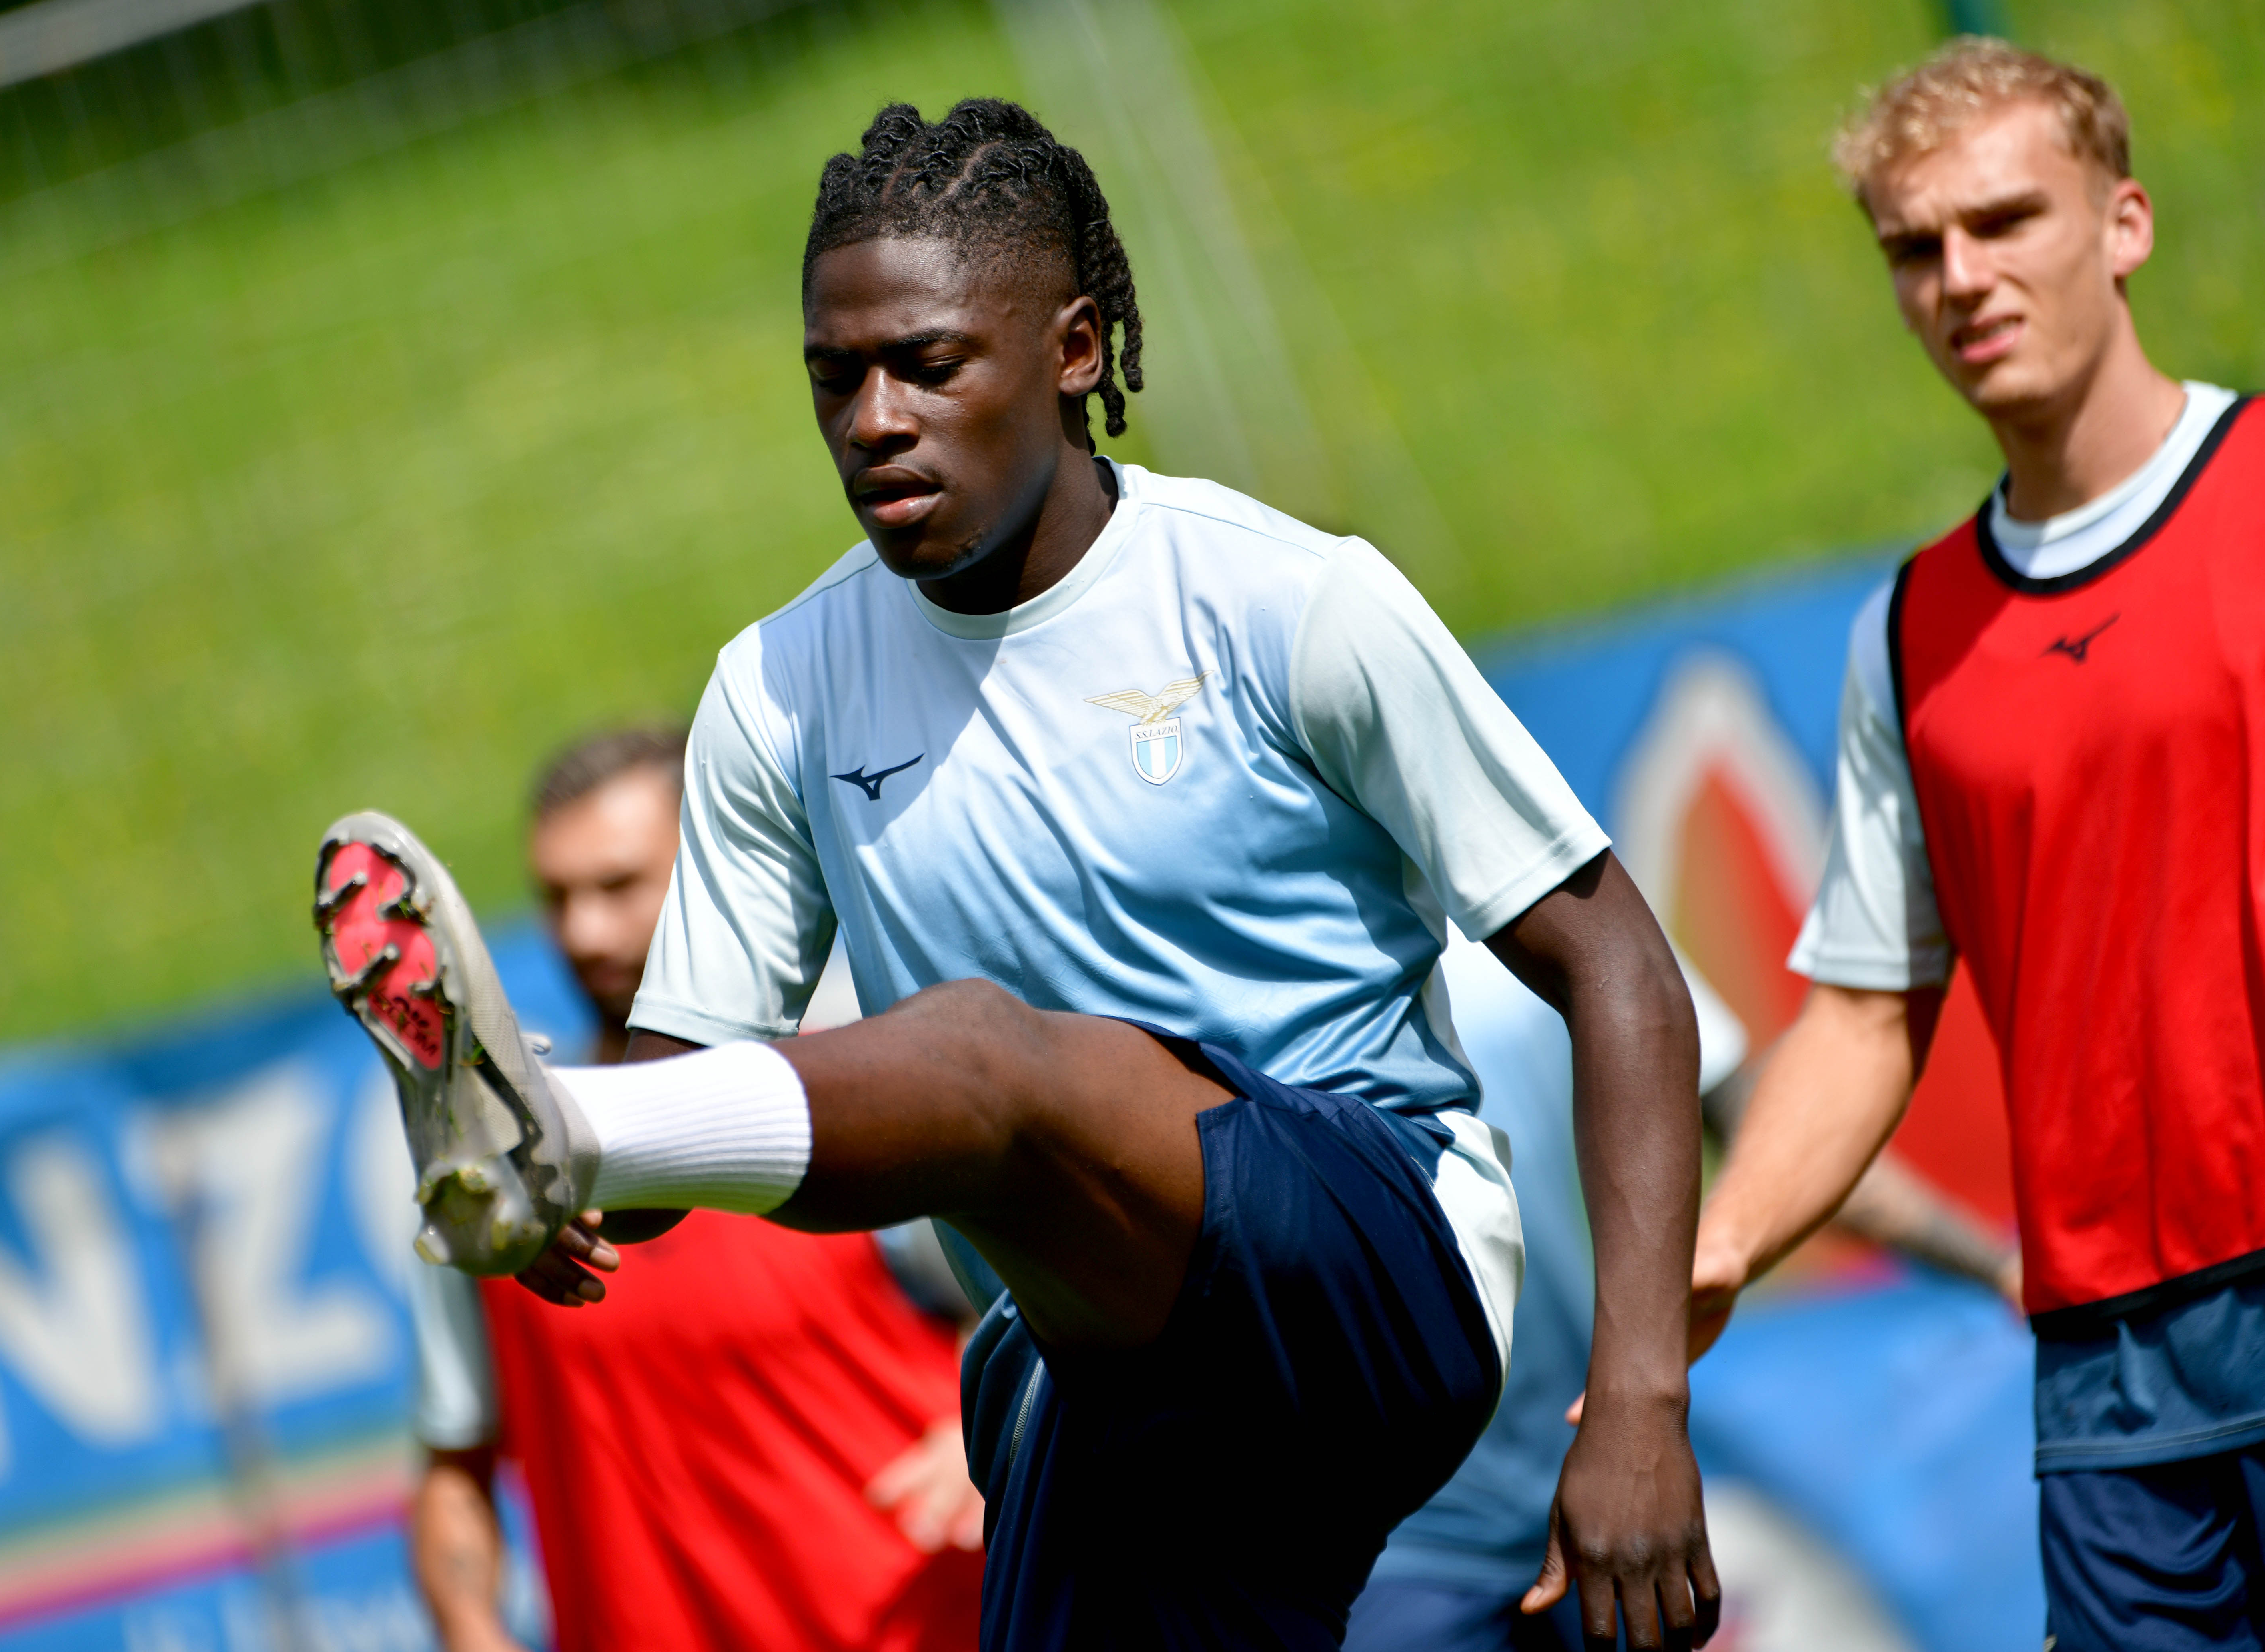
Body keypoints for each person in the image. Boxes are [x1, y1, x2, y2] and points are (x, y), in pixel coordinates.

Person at [320, 99, 1719, 1650]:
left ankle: (549, 1123)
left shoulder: (1284, 601)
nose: (872, 417)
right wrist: (590, 1189)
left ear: (1070, 350)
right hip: (1089, 1359)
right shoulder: (781, 686)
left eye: (926, 364)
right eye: (832, 375)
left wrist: (1640, 1401)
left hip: (1369, 1269)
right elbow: (695, 1097)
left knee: (981, 1051)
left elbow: (1621, 971)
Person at [1687, 40, 2265, 1651]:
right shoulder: (1913, 633)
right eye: (1916, 247)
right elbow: (1868, 1012)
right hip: (2109, 1390)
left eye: (2008, 222)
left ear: (2125, 224)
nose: (1964, 278)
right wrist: (1721, 1247)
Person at [401, 727, 986, 1652]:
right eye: (557, 897)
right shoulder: (495, 1168)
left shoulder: (849, 1094)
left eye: (619, 887)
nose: (582, 931)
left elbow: (1044, 1306)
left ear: (715, 869)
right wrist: (472, 1627)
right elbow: (453, 1467)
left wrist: (982, 1436)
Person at [1348, 942, 2016, 1652]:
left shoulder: (1571, 902)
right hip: (1380, 1549)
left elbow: (1778, 1138)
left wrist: (1998, 1263)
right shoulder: (1271, 922)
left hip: (1597, 1513)